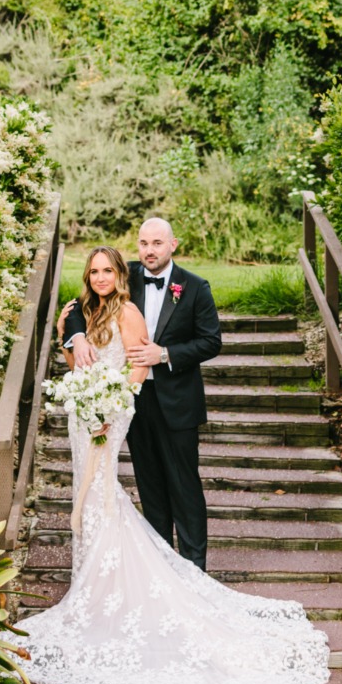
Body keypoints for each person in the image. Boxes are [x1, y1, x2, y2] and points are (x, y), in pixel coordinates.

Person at [19, 240, 329, 684]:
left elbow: (139, 368)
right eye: (94, 271)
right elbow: (73, 361)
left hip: (116, 414)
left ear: (120, 274)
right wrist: (72, 339)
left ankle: (166, 578)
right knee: (102, 493)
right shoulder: (81, 311)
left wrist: (112, 411)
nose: (101, 277)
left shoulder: (135, 309)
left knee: (111, 495)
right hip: (82, 416)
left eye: (108, 270)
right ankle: (92, 585)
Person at [63, 216, 218, 568]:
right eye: (144, 244)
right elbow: (79, 307)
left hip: (176, 401)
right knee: (149, 485)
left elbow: (211, 341)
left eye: (157, 244)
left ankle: (194, 569)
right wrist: (80, 337)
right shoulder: (124, 274)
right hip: (133, 402)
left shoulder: (194, 287)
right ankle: (160, 564)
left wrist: (164, 354)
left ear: (173, 245)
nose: (150, 251)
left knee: (184, 486)